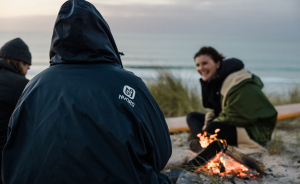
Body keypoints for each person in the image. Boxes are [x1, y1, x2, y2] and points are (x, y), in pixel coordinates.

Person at [1, 0, 171, 183]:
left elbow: (14, 151)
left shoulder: (34, 85)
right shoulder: (129, 84)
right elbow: (162, 154)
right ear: (104, 34)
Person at [187, 46, 277, 153]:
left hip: (252, 130)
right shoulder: (217, 81)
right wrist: (210, 118)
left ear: (218, 63)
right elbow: (217, 109)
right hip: (233, 123)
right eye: (198, 65)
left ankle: (204, 142)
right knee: (192, 117)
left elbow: (236, 116)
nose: (201, 68)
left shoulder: (238, 82)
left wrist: (208, 125)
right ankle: (204, 143)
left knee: (212, 127)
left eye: (205, 63)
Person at [0, 38, 31, 179]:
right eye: (27, 67)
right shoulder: (22, 85)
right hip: (5, 161)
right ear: (20, 62)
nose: (26, 71)